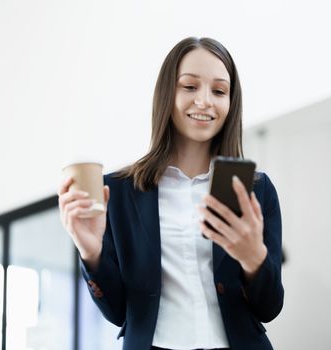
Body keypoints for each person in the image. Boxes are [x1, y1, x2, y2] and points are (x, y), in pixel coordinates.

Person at [57, 37, 284, 350]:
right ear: (167, 93)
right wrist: (90, 251)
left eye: (219, 91)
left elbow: (269, 307)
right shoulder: (120, 191)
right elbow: (118, 311)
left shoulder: (256, 191)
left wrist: (254, 259)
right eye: (190, 86)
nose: (205, 101)